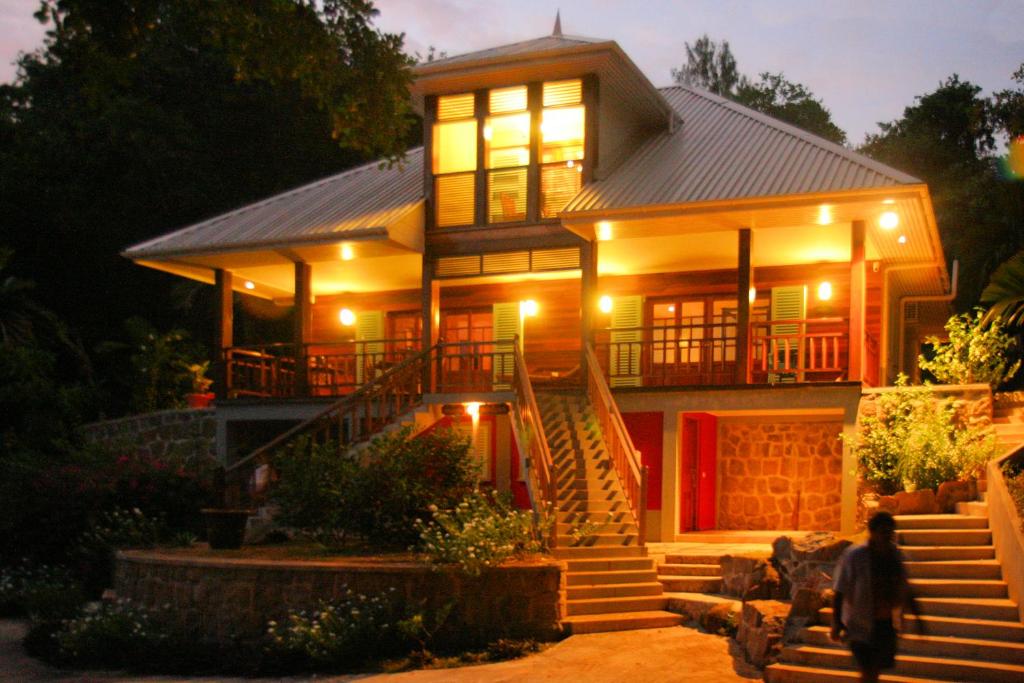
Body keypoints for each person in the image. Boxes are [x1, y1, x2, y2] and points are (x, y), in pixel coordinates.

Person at [830, 511, 924, 682]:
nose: (887, 537)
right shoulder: (855, 556)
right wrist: (837, 622)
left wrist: (918, 619)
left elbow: (905, 587)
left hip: (885, 624)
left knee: (874, 671)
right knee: (869, 670)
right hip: (859, 624)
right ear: (872, 532)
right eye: (883, 532)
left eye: (890, 532)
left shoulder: (894, 556)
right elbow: (840, 589)